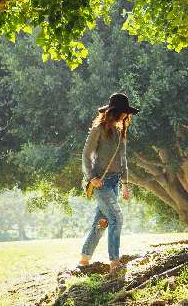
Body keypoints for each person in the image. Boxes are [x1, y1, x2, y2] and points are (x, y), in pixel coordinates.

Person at [79, 92, 139, 275]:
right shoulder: (98, 129)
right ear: (115, 111)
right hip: (101, 182)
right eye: (123, 112)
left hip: (114, 183)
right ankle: (114, 262)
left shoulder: (121, 132)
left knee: (102, 221)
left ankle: (83, 259)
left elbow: (123, 161)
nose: (125, 116)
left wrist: (126, 184)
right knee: (116, 218)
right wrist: (91, 178)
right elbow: (86, 155)